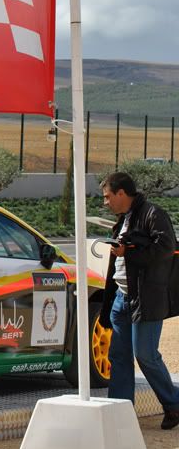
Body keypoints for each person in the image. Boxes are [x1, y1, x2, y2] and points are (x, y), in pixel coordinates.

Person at [99, 170, 179, 430]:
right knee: (119, 356)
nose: (106, 202)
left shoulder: (153, 214)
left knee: (145, 354)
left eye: (108, 196)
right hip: (121, 299)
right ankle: (120, 413)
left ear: (122, 193)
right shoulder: (124, 218)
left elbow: (166, 248)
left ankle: (173, 405)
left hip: (146, 298)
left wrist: (129, 252)